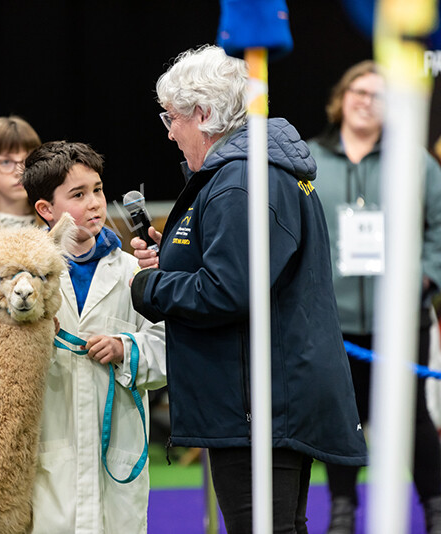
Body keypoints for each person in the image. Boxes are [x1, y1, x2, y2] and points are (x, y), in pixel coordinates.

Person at [129, 45, 367, 534]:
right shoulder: (255, 170)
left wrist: (150, 287)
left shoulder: (242, 179)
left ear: (204, 114)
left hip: (258, 405)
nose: (170, 131)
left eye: (171, 117)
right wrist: (175, 257)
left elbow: (228, 290)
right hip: (264, 397)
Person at [307, 60, 441, 534]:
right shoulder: (307, 161)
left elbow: (439, 227)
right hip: (333, 322)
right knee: (343, 419)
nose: (367, 101)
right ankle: (343, 512)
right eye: (358, 91)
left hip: (402, 319)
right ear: (341, 99)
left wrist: (427, 276)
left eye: (379, 94)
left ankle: (437, 510)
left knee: (413, 419)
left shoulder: (414, 161)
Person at [20, 140, 166, 533]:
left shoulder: (134, 273)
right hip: (52, 456)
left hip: (117, 455)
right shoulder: (24, 281)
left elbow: (167, 349)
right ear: (45, 210)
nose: (95, 203)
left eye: (98, 190)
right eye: (78, 194)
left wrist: (125, 348)